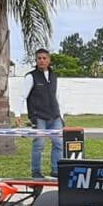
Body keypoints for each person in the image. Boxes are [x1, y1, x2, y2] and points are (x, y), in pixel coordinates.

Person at [13, 48, 65, 179]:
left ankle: (56, 171)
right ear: (36, 60)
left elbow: (57, 96)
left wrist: (61, 116)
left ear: (49, 60)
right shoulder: (31, 76)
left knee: (59, 144)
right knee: (39, 144)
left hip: (55, 116)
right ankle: (36, 172)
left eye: (44, 58)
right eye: (39, 58)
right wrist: (17, 114)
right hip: (39, 117)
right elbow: (22, 96)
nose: (42, 60)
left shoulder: (54, 76)